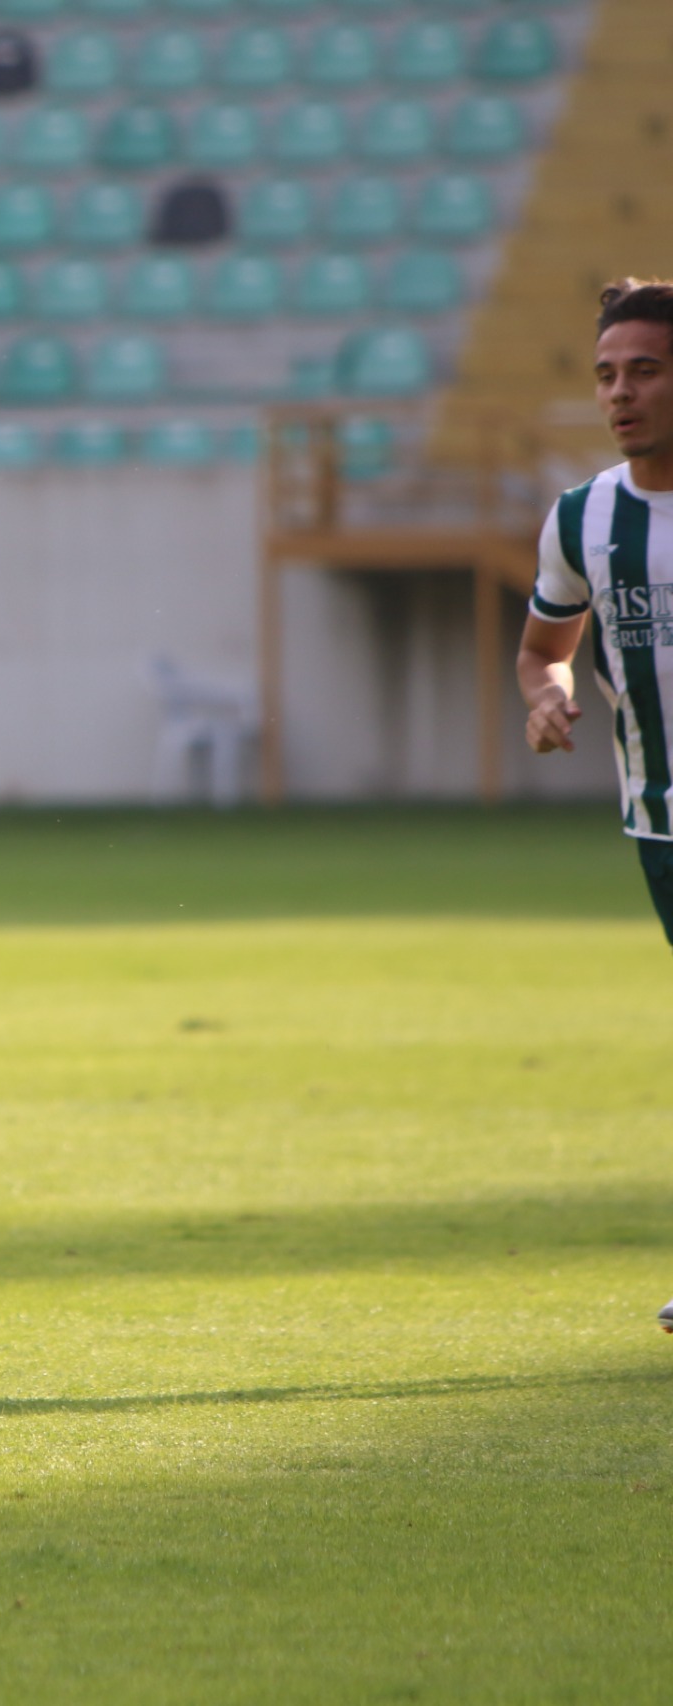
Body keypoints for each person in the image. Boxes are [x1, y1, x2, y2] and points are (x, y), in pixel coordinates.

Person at [516, 278, 673, 1335]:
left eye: (645, 370)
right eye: (606, 374)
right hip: (661, 818)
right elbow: (541, 648)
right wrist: (549, 694)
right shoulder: (582, 519)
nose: (620, 393)